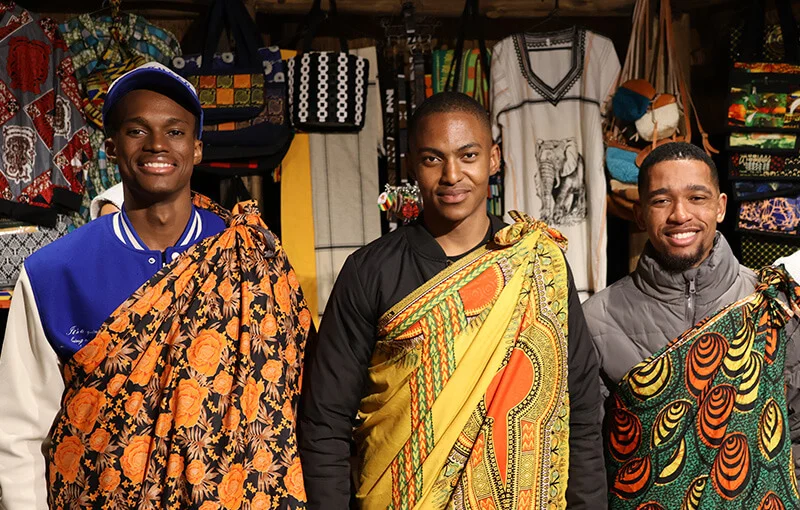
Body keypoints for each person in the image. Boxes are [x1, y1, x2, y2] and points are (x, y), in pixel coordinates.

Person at [0, 63, 310, 508]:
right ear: (110, 146)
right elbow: (20, 429)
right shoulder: (55, 272)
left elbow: (293, 400)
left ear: (198, 148)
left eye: (176, 132)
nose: (157, 145)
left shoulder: (250, 259)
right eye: (136, 130)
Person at [298, 92, 607, 509]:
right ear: (411, 166)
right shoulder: (370, 271)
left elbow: (581, 407)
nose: (452, 175)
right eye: (432, 159)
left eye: (468, 155)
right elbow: (325, 421)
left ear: (494, 159)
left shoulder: (536, 265)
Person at [582, 142, 800, 505]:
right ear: (640, 214)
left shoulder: (770, 305)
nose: (680, 214)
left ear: (720, 207)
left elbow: (797, 429)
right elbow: (587, 453)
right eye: (661, 200)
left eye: (697, 197)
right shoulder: (597, 320)